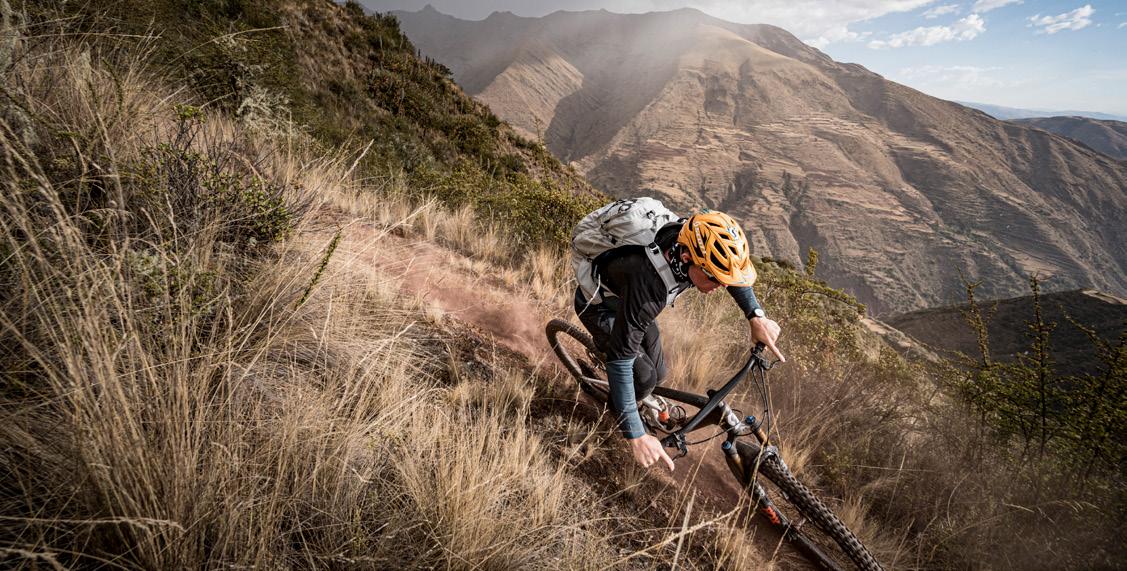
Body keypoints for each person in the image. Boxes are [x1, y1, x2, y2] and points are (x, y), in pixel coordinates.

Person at [572, 209, 784, 472]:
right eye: (714, 278)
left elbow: (728, 270)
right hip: (599, 307)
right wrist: (635, 434)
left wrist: (756, 316)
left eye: (722, 279)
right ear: (686, 258)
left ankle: (632, 395)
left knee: (659, 373)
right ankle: (615, 411)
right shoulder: (649, 288)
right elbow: (620, 360)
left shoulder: (689, 239)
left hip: (627, 299)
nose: (720, 286)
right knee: (644, 378)